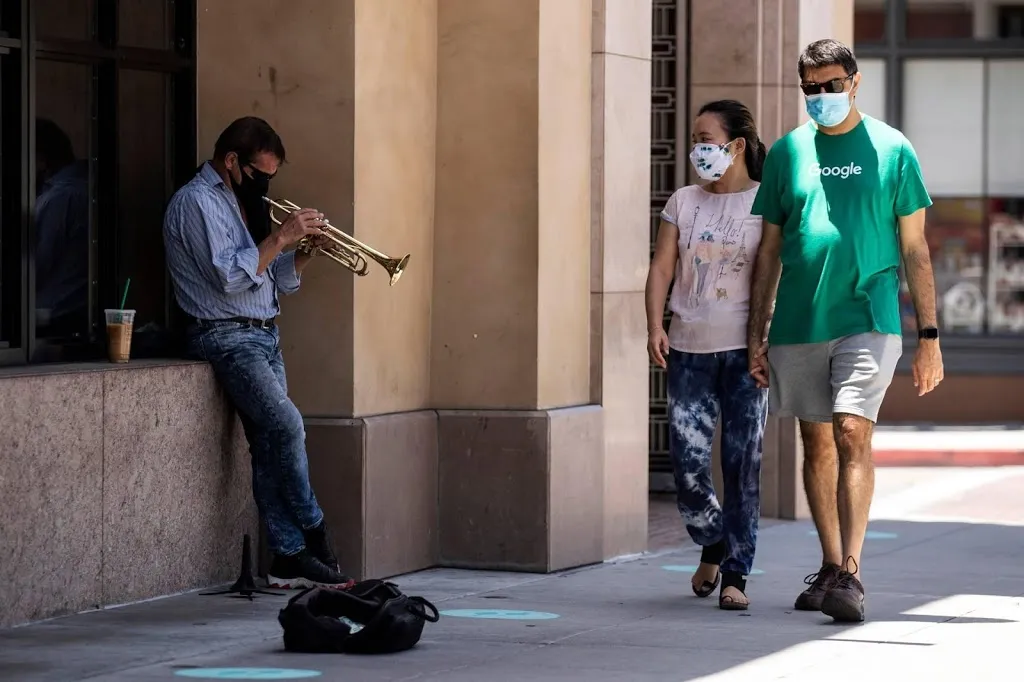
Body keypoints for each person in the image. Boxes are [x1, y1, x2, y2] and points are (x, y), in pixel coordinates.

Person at [747, 39, 942, 623]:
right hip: (800, 321)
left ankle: (851, 575)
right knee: (817, 443)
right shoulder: (786, 153)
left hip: (870, 315)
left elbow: (915, 247)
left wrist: (929, 336)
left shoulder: (892, 149)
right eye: (811, 89)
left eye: (832, 85)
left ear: (855, 82)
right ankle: (829, 566)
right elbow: (770, 250)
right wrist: (757, 333)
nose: (822, 97)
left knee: (853, 431)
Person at [163, 116, 353, 589]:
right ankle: (314, 531)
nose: (266, 185)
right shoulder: (195, 202)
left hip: (262, 333)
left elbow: (266, 277)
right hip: (224, 336)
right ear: (231, 161)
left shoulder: (241, 200)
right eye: (260, 174)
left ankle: (287, 555)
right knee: (287, 424)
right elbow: (228, 279)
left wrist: (304, 251)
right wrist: (280, 237)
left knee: (269, 443)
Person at [646, 99, 769, 611]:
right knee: (688, 468)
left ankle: (736, 573)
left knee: (743, 466)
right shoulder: (683, 201)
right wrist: (655, 324)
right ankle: (712, 542)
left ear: (735, 146)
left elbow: (775, 275)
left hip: (746, 355)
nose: (698, 149)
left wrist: (768, 340)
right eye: (695, 140)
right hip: (690, 352)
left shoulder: (767, 203)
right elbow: (660, 268)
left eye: (706, 138)